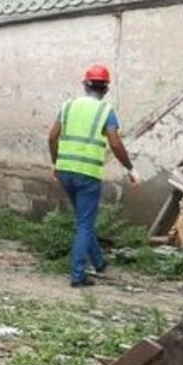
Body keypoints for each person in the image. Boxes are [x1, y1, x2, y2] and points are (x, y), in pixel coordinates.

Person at [48, 64, 140, 287]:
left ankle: (99, 262)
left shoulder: (67, 106)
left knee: (82, 220)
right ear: (106, 88)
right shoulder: (105, 111)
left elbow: (52, 137)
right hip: (87, 175)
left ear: (85, 85)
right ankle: (78, 276)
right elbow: (115, 143)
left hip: (65, 171)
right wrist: (130, 169)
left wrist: (55, 163)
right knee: (85, 224)